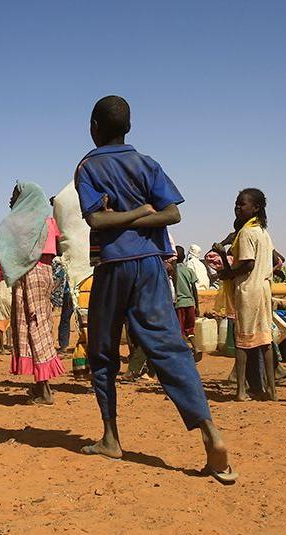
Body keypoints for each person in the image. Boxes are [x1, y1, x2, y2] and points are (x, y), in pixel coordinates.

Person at [74, 95, 236, 484]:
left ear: (94, 126)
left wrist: (120, 219)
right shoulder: (147, 163)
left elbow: (96, 219)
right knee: (169, 347)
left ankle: (111, 437)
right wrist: (143, 213)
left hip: (113, 266)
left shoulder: (87, 166)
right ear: (128, 127)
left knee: (101, 351)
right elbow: (172, 212)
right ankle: (209, 431)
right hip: (151, 264)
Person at [0, 182, 66, 405]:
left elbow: (5, 252)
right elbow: (58, 247)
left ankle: (45, 391)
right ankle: (39, 386)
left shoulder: (15, 222)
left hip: (28, 275)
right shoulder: (48, 221)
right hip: (44, 274)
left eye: (14, 194)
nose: (10, 199)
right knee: (35, 325)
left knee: (33, 327)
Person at [214, 189, 276, 402]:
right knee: (265, 340)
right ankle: (272, 391)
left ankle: (240, 390)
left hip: (249, 290)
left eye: (242, 204)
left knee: (242, 341)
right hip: (264, 289)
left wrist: (227, 272)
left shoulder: (247, 233)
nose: (237, 208)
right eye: (237, 204)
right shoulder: (263, 232)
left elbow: (247, 264)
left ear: (255, 208)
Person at [174, 245, 200, 357]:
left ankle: (184, 353)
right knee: (189, 329)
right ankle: (196, 348)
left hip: (179, 304)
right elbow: (194, 289)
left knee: (180, 330)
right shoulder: (188, 270)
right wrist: (197, 306)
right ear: (184, 256)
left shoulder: (172, 271)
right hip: (190, 303)